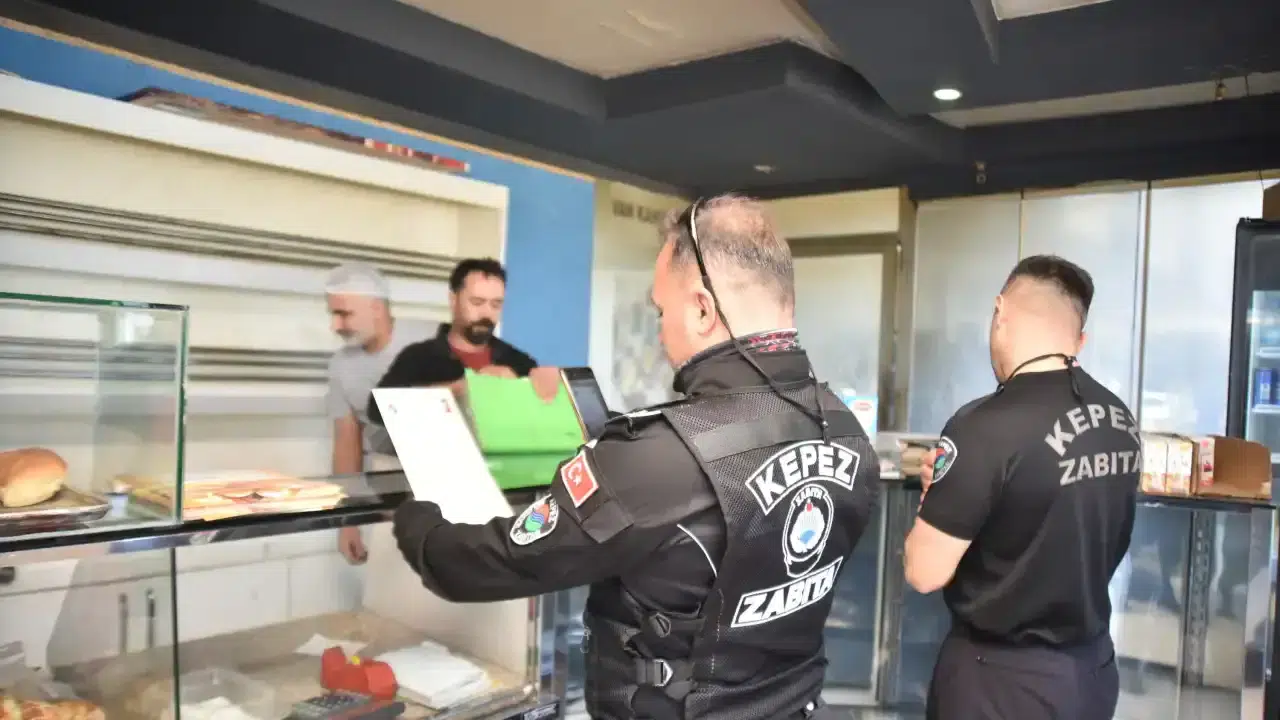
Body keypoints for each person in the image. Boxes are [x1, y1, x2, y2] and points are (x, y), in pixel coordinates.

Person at [391, 194, 880, 720]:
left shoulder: (661, 455)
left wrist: (416, 520)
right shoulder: (845, 428)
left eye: (661, 310)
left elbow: (498, 562)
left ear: (702, 309)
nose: (659, 329)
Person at [904, 255, 1138, 720]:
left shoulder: (982, 425)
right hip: (1091, 672)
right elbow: (1050, 508)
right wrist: (955, 490)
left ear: (1000, 313)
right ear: (1079, 340)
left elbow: (924, 572)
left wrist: (936, 498)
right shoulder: (1119, 418)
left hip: (1001, 683)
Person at [323, 263, 433, 565]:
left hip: (447, 481)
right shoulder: (340, 366)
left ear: (376, 308)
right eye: (333, 314)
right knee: (393, 584)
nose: (335, 325)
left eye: (344, 314)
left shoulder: (433, 340)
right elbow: (346, 443)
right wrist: (347, 521)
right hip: (387, 484)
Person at [366, 257, 558, 426]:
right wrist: (460, 389)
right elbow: (377, 411)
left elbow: (543, 422)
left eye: (496, 304)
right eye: (477, 302)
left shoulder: (519, 362)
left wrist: (532, 389)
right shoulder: (418, 357)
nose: (486, 313)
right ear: (453, 300)